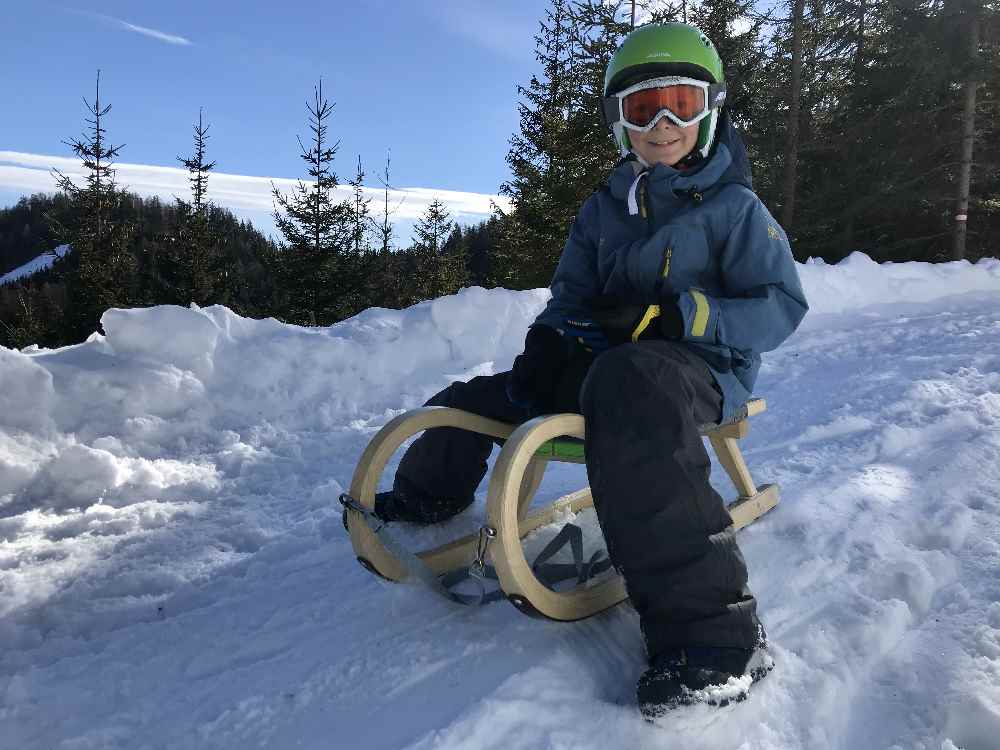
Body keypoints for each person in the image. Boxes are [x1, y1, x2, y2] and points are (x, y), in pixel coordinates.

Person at [373, 22, 808, 719]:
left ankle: (714, 640)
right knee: (488, 393)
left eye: (681, 104)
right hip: (611, 365)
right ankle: (426, 494)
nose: (663, 124)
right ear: (620, 124)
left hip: (696, 371)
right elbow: (570, 294)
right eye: (643, 109)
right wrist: (550, 343)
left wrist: (691, 317)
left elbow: (782, 305)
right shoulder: (603, 210)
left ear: (710, 111)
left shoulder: (735, 209)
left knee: (632, 384)